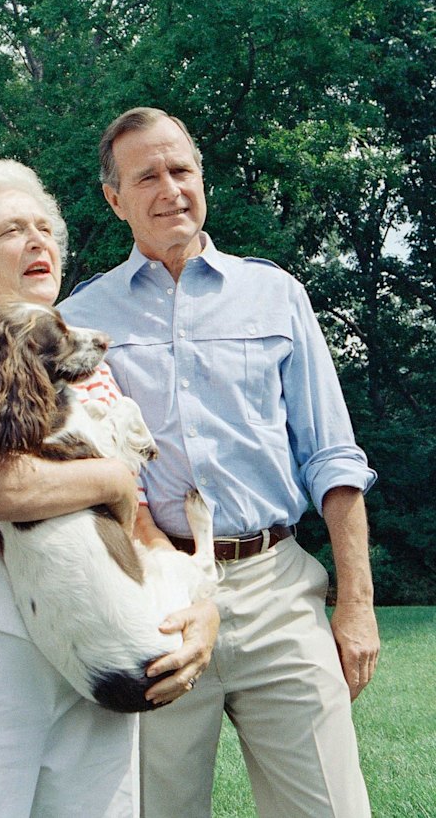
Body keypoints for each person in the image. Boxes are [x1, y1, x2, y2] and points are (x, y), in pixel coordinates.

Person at [59, 107, 381, 818]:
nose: (170, 188)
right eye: (148, 176)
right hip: (155, 600)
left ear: (202, 178)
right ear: (115, 200)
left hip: (278, 588)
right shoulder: (83, 318)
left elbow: (333, 457)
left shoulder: (277, 294)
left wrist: (356, 604)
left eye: (182, 170)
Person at [0, 159, 217, 818]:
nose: (38, 242)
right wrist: (110, 475)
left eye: (45, 229)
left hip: (100, 639)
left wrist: (200, 606)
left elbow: (140, 533)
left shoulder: (92, 379)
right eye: (10, 231)